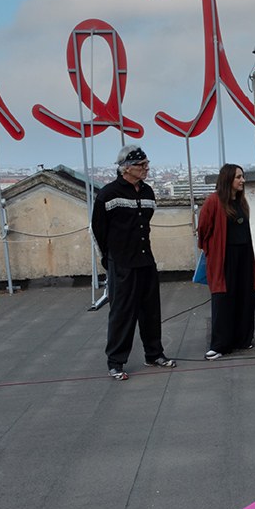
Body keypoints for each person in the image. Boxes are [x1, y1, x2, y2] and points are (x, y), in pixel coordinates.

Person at [91, 145, 176, 379]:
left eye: (147, 164)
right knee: (122, 312)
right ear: (126, 168)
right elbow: (98, 230)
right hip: (121, 261)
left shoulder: (148, 191)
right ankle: (115, 361)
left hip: (145, 259)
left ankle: (154, 354)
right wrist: (108, 260)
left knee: (150, 311)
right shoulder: (108, 194)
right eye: (142, 165)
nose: (147, 168)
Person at [196, 164, 255, 360]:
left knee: (244, 295)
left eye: (243, 177)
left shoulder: (241, 201)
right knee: (224, 298)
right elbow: (203, 230)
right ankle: (220, 345)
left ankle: (242, 339)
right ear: (228, 180)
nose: (243, 180)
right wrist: (212, 251)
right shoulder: (213, 201)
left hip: (244, 255)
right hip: (224, 256)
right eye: (238, 177)